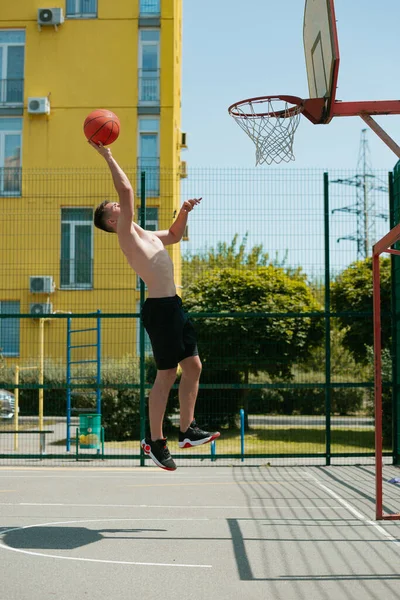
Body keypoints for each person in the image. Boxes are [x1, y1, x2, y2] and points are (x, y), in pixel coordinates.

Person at [90, 140, 220, 471]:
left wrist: (185, 211)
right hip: (160, 311)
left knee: (193, 367)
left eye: (115, 205)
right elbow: (127, 190)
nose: (117, 206)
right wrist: (107, 154)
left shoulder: (146, 234)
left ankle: (187, 430)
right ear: (111, 223)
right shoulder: (127, 236)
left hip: (173, 306)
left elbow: (175, 236)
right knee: (166, 374)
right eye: (112, 208)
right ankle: (155, 439)